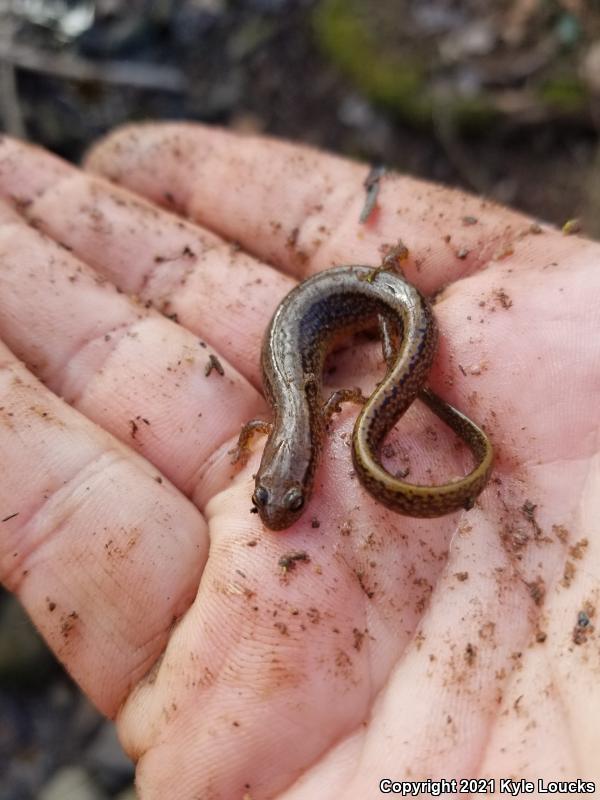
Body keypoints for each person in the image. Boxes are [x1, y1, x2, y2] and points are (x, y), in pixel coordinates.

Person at [0, 124, 597, 798]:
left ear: (307, 469)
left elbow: (318, 404)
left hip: (376, 307)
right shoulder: (294, 421)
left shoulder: (307, 414)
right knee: (382, 352)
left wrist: (380, 353)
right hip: (352, 312)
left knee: (396, 336)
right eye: (272, 502)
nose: (281, 512)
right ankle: (397, 327)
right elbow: (295, 415)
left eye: (284, 499)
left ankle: (397, 324)